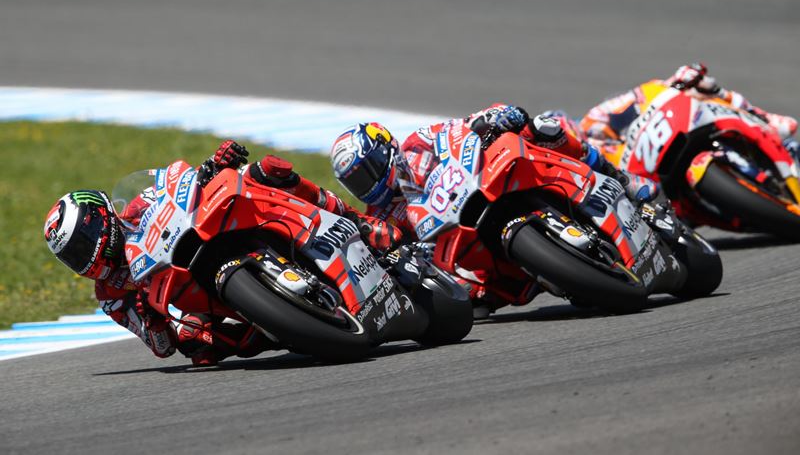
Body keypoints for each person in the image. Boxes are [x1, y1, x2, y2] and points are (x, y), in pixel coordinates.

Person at [44, 140, 401, 366]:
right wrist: (149, 318)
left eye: (82, 242)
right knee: (195, 347)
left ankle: (355, 220)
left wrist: (214, 165)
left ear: (102, 218)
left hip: (206, 233)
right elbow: (161, 347)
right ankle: (275, 327)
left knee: (266, 171)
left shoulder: (139, 206)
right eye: (72, 256)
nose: (84, 256)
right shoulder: (111, 294)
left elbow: (183, 188)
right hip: (196, 295)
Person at [329, 105, 657, 316]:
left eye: (366, 171)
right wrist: (410, 254)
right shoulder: (380, 213)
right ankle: (551, 274)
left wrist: (493, 118)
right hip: (466, 245)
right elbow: (395, 246)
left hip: (485, 184)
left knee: (547, 126)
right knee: (472, 300)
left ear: (384, 151)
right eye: (355, 182)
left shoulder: (417, 145)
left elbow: (459, 129)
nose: (366, 185)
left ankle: (619, 177)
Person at [580, 63, 799, 160]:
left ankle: (762, 119)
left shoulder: (594, 119)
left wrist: (679, 80)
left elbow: (647, 93)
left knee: (699, 88)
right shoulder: (586, 153)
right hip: (654, 182)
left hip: (672, 130)